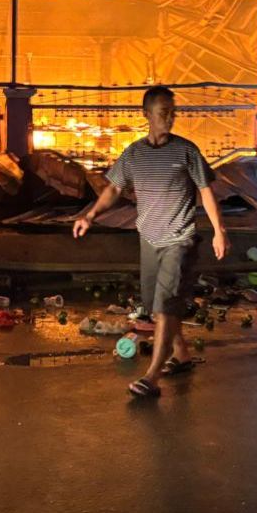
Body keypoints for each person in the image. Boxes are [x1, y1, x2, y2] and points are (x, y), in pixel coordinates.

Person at [73, 86, 230, 398]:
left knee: (166, 306)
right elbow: (113, 189)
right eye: (164, 113)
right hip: (149, 239)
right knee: (156, 309)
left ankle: (152, 376)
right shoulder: (134, 154)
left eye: (173, 113)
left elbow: (206, 191)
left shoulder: (186, 151)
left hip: (179, 240)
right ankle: (181, 355)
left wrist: (219, 230)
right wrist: (90, 215)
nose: (170, 119)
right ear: (146, 114)